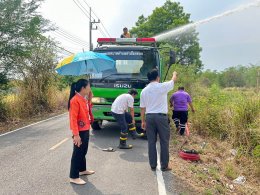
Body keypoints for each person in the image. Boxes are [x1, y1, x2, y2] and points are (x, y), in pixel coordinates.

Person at [140, 69, 177, 171]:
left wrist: (143, 121)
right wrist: (174, 74)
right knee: (164, 141)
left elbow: (142, 108)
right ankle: (164, 165)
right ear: (157, 77)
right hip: (161, 117)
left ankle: (153, 165)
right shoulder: (162, 86)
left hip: (149, 117)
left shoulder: (144, 90)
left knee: (151, 142)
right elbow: (173, 80)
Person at [68, 79, 95, 185]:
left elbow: (87, 110)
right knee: (77, 153)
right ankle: (73, 176)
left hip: (86, 128)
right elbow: (73, 119)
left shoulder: (83, 98)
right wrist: (76, 135)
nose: (90, 88)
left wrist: (90, 99)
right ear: (83, 88)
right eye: (89, 86)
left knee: (83, 151)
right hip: (79, 131)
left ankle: (82, 170)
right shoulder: (75, 100)